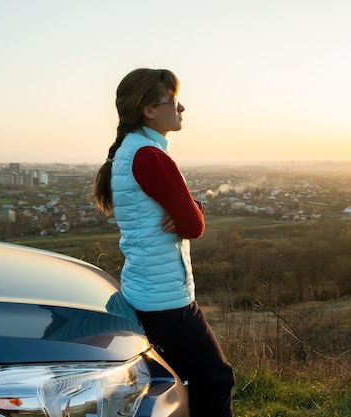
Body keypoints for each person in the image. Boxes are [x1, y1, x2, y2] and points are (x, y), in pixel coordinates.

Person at [93, 68, 234, 417]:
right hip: (166, 300)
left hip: (146, 289)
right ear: (148, 110)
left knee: (180, 379)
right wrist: (193, 209)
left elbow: (182, 219)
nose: (181, 107)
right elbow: (192, 226)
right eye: (172, 100)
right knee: (217, 378)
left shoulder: (128, 151)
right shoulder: (151, 156)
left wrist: (187, 211)